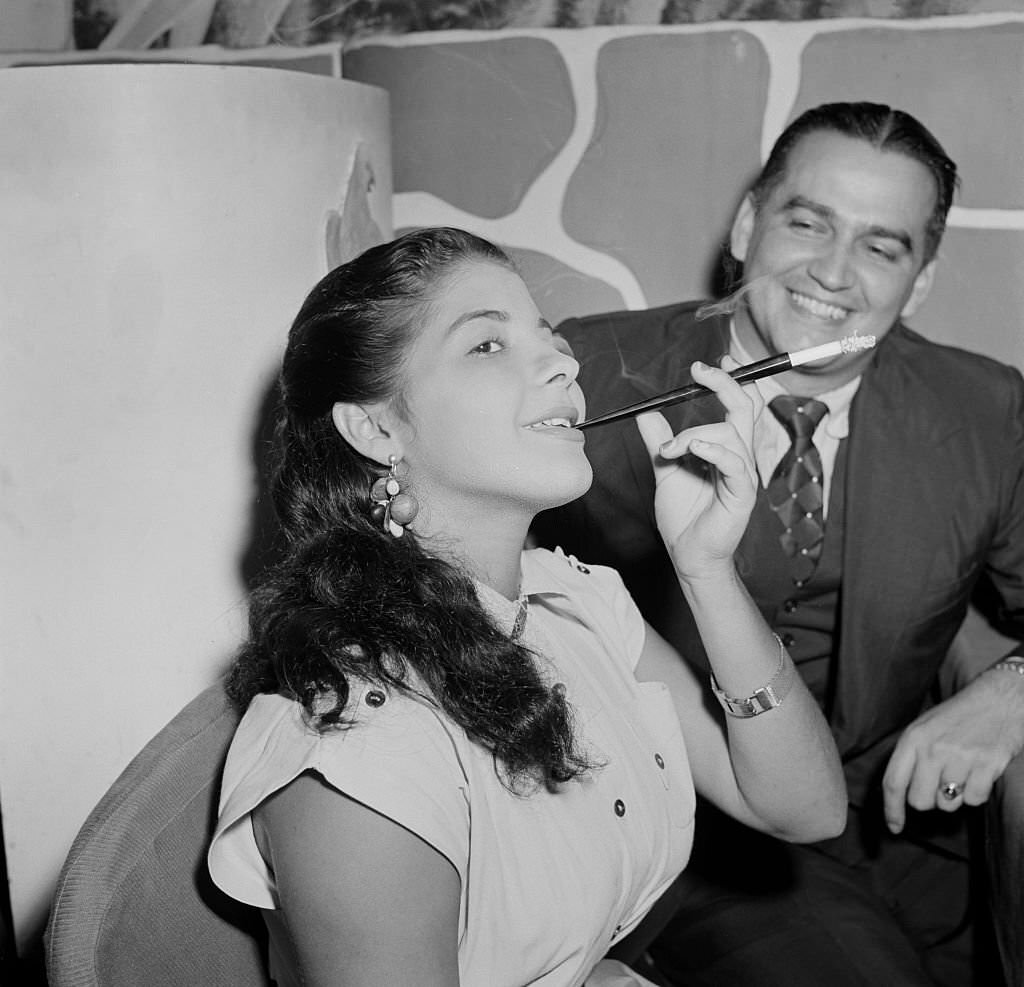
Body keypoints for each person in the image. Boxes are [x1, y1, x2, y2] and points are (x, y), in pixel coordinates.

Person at [206, 227, 845, 987]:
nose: (564, 361)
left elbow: (805, 808)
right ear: (376, 427)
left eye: (546, 337)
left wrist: (707, 570)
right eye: (486, 345)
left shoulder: (570, 599)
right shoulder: (356, 746)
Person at [532, 102, 1024, 986]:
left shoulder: (984, 411)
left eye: (882, 246)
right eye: (808, 222)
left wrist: (1012, 686)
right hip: (700, 828)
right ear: (749, 223)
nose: (833, 272)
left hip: (910, 819)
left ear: (919, 281)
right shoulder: (591, 374)